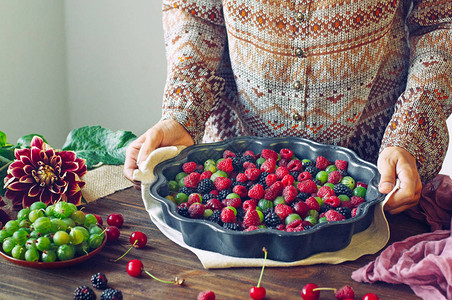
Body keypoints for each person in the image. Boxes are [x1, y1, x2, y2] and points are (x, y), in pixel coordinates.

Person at [124, 0, 452, 215]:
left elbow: (440, 22)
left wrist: (411, 132)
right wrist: (183, 113)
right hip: (235, 182)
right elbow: (195, 13)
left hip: (374, 178)